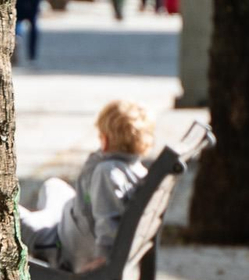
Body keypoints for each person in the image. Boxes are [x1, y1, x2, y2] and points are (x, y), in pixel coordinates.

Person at [18, 99, 154, 271]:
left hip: (60, 247)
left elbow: (108, 220)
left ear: (104, 140)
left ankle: (42, 237)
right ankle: (49, 219)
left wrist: (104, 261)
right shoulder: (137, 170)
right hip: (69, 227)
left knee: (8, 212)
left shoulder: (107, 173)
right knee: (53, 185)